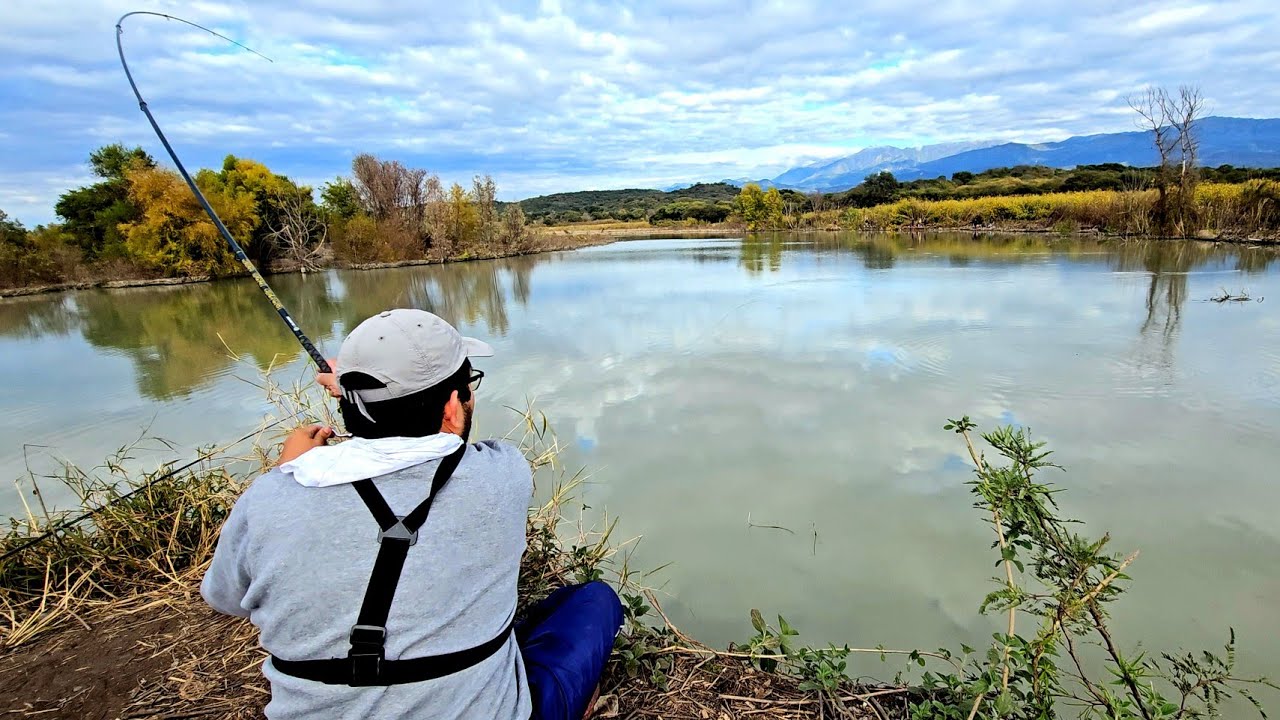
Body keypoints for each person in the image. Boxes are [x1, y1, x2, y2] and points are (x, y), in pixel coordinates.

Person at [201, 309, 623, 720]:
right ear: (452, 408)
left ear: (348, 403)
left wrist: (287, 469)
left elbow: (223, 598)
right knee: (594, 601)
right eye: (469, 384)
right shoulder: (504, 473)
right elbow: (446, 449)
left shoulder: (269, 497)